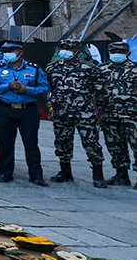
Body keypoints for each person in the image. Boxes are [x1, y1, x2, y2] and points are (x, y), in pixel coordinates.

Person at [0, 39, 50, 185]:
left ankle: (36, 175)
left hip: (27, 110)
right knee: (5, 142)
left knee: (31, 143)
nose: (7, 54)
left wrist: (27, 90)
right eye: (4, 52)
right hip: (5, 109)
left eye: (10, 52)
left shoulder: (33, 69)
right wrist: (7, 86)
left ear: (19, 52)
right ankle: (5, 172)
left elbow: (45, 89)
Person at [42, 39, 106, 187]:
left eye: (69, 48)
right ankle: (65, 172)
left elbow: (100, 89)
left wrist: (96, 107)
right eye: (63, 47)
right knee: (62, 142)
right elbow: (50, 87)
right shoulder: (53, 68)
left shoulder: (89, 68)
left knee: (91, 143)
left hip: (85, 113)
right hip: (62, 112)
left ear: (77, 50)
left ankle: (98, 175)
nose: (66, 50)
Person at [97, 41, 137, 187]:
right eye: (114, 52)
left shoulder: (135, 69)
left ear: (128, 53)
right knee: (115, 145)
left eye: (120, 52)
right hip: (109, 114)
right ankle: (121, 175)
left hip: (132, 115)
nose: (117, 54)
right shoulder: (102, 69)